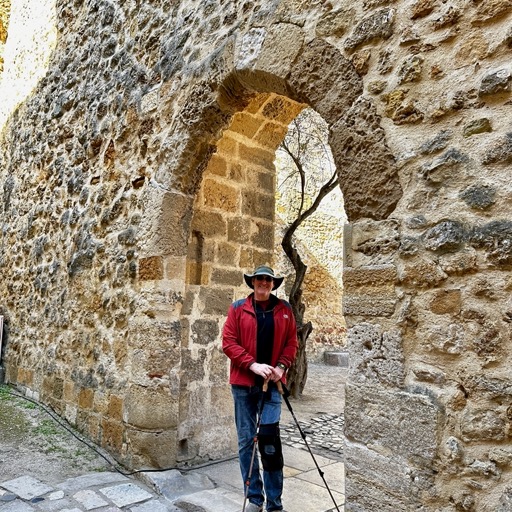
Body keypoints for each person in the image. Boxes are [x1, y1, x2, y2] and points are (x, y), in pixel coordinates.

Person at [222, 265, 298, 512]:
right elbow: (229, 343)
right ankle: (255, 498)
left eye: (268, 279)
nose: (263, 283)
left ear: (273, 284)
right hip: (243, 386)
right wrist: (252, 365)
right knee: (246, 442)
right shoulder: (237, 309)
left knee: (269, 442)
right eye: (259, 279)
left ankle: (275, 504)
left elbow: (291, 343)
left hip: (272, 386)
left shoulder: (284, 309)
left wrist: (281, 367)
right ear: (252, 283)